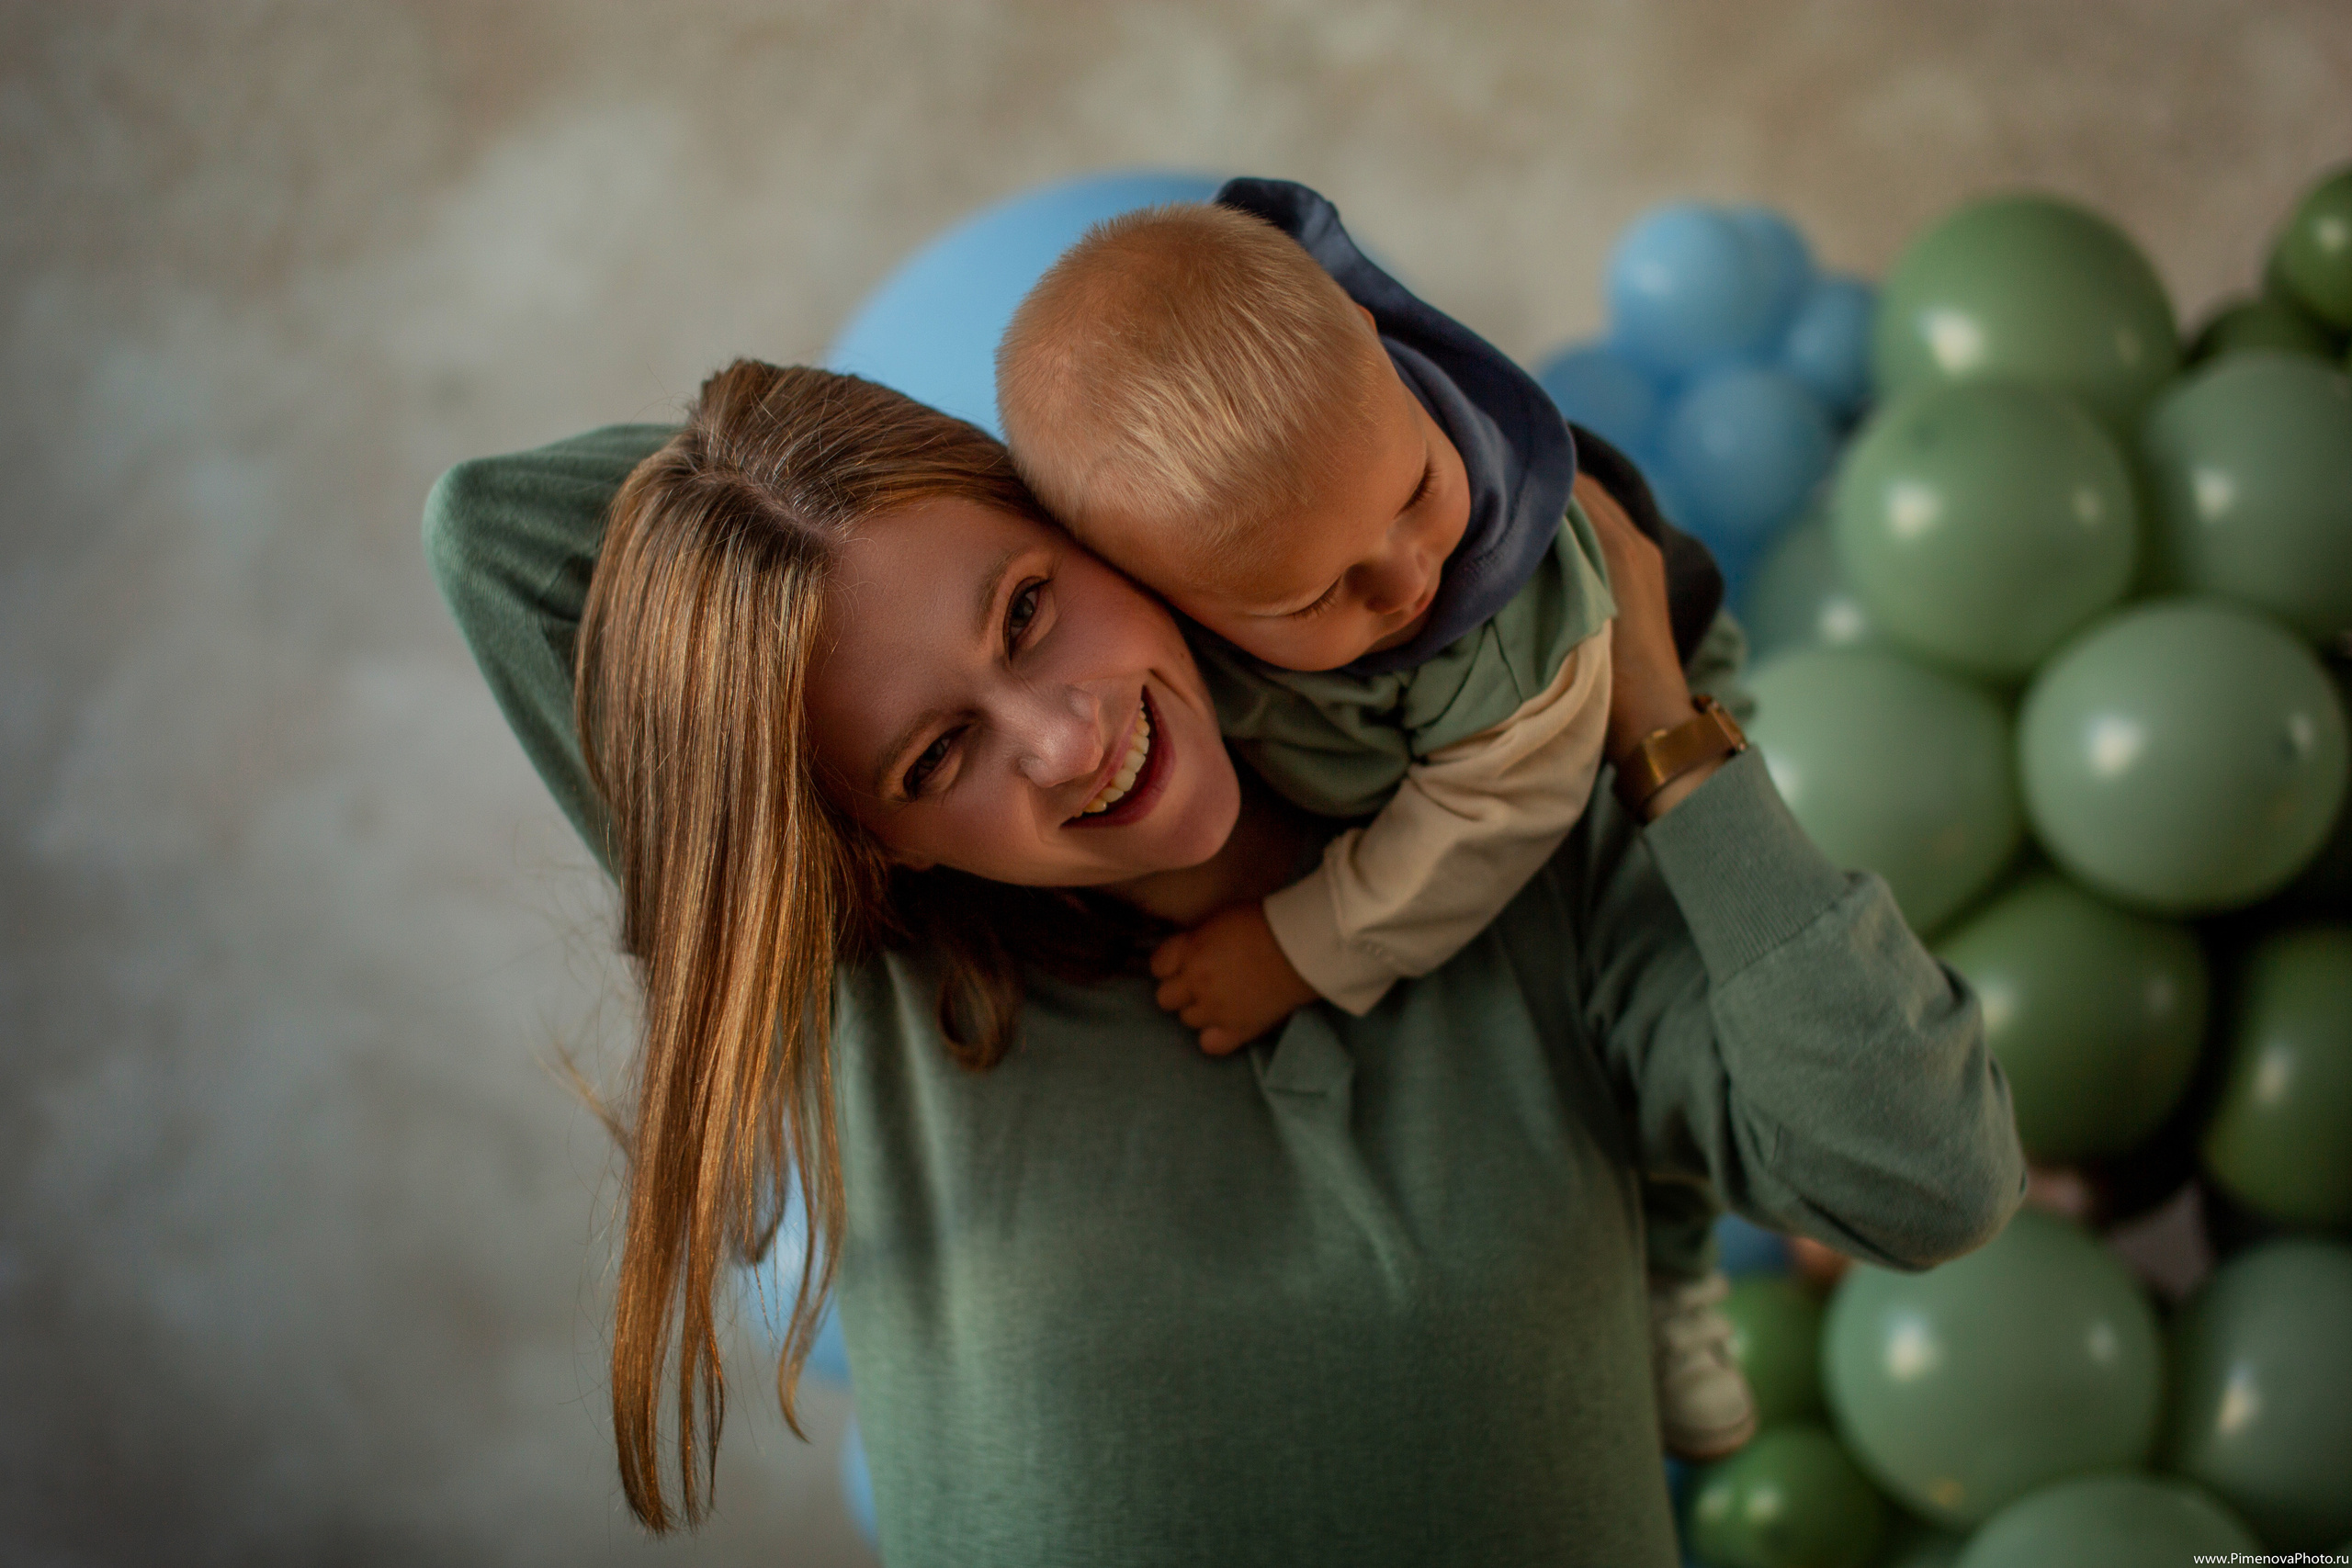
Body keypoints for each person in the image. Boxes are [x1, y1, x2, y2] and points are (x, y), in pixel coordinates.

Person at [424, 358, 2024, 1566]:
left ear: (1090, 538)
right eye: (935, 756)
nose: (1063, 739)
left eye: (1033, 607)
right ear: (871, 840)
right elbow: (490, 534)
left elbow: (1923, 1177)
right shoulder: (892, 982)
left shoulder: (1533, 872)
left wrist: (1665, 726)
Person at [997, 179, 1752, 1455]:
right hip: (1380, 760)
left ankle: (1679, 1277)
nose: (1410, 574)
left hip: (1600, 752)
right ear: (1145, 586)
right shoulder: (1179, 571)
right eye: (1318, 591)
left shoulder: (1503, 601)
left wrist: (1303, 944)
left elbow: (1493, 817)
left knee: (1659, 1026)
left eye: (1413, 484)